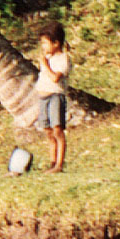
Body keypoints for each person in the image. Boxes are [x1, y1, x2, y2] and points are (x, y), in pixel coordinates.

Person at [35, 21, 71, 173]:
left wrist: (45, 64)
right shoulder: (48, 57)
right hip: (43, 96)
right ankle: (52, 161)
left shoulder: (63, 59)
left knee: (57, 130)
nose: (43, 46)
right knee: (48, 131)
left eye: (45, 43)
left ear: (56, 43)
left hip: (55, 96)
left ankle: (60, 164)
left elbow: (55, 78)